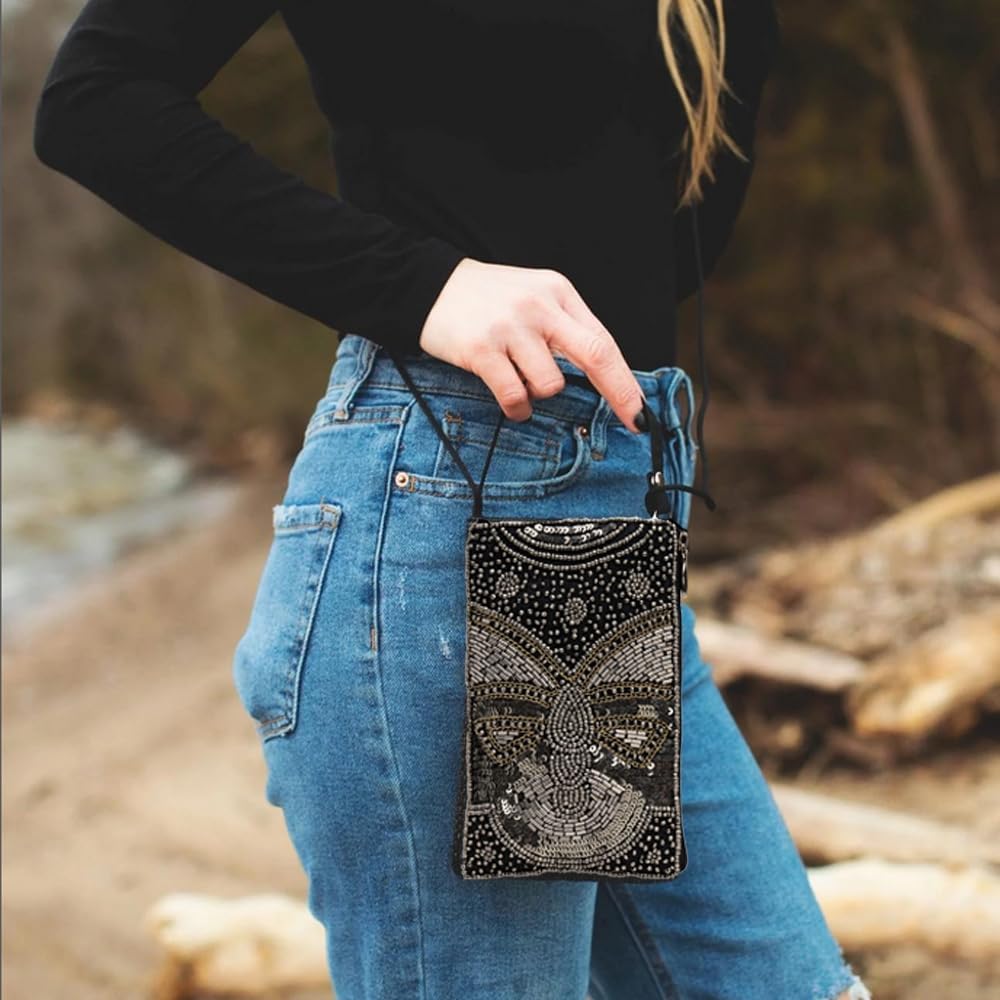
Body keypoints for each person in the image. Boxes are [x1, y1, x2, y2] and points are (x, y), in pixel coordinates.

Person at [34, 3, 872, 998]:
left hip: (602, 548)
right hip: (444, 519)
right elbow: (97, 100)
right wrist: (423, 285)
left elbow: (661, 235)